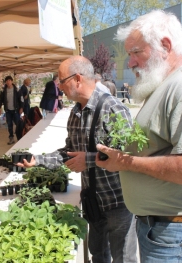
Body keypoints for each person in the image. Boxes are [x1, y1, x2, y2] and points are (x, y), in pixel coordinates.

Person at [17, 56, 137, 263]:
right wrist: (39, 160)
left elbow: (127, 155)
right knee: (98, 255)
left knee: (123, 258)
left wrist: (88, 160)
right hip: (93, 201)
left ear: (78, 79)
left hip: (118, 202)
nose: (59, 86)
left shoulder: (113, 108)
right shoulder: (75, 113)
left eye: (61, 80)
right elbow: (69, 151)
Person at [95, 10, 182, 263]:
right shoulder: (163, 86)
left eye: (136, 52)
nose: (129, 63)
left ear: (165, 46)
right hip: (158, 229)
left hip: (170, 233)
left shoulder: (179, 87)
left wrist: (123, 162)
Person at [0, 76, 24, 145]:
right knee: (9, 125)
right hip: (8, 111)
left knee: (18, 124)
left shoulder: (17, 90)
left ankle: (20, 137)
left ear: (12, 81)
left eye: (9, 80)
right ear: (5, 82)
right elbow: (1, 100)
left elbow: (21, 99)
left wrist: (21, 108)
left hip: (16, 110)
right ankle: (11, 138)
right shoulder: (3, 91)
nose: (8, 82)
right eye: (7, 81)